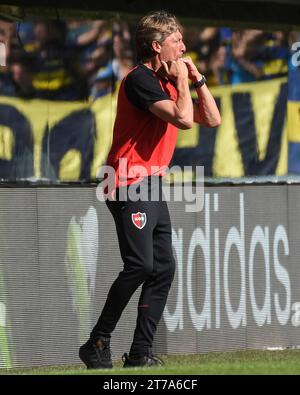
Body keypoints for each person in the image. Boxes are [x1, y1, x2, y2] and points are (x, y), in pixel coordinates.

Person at [79, 10, 221, 369]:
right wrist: (184, 82)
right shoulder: (140, 79)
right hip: (126, 181)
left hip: (151, 182)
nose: (184, 47)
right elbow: (185, 120)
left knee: (163, 268)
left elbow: (213, 119)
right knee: (141, 264)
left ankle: (140, 352)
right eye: (177, 41)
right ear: (157, 47)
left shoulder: (172, 79)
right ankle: (98, 342)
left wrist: (197, 78)